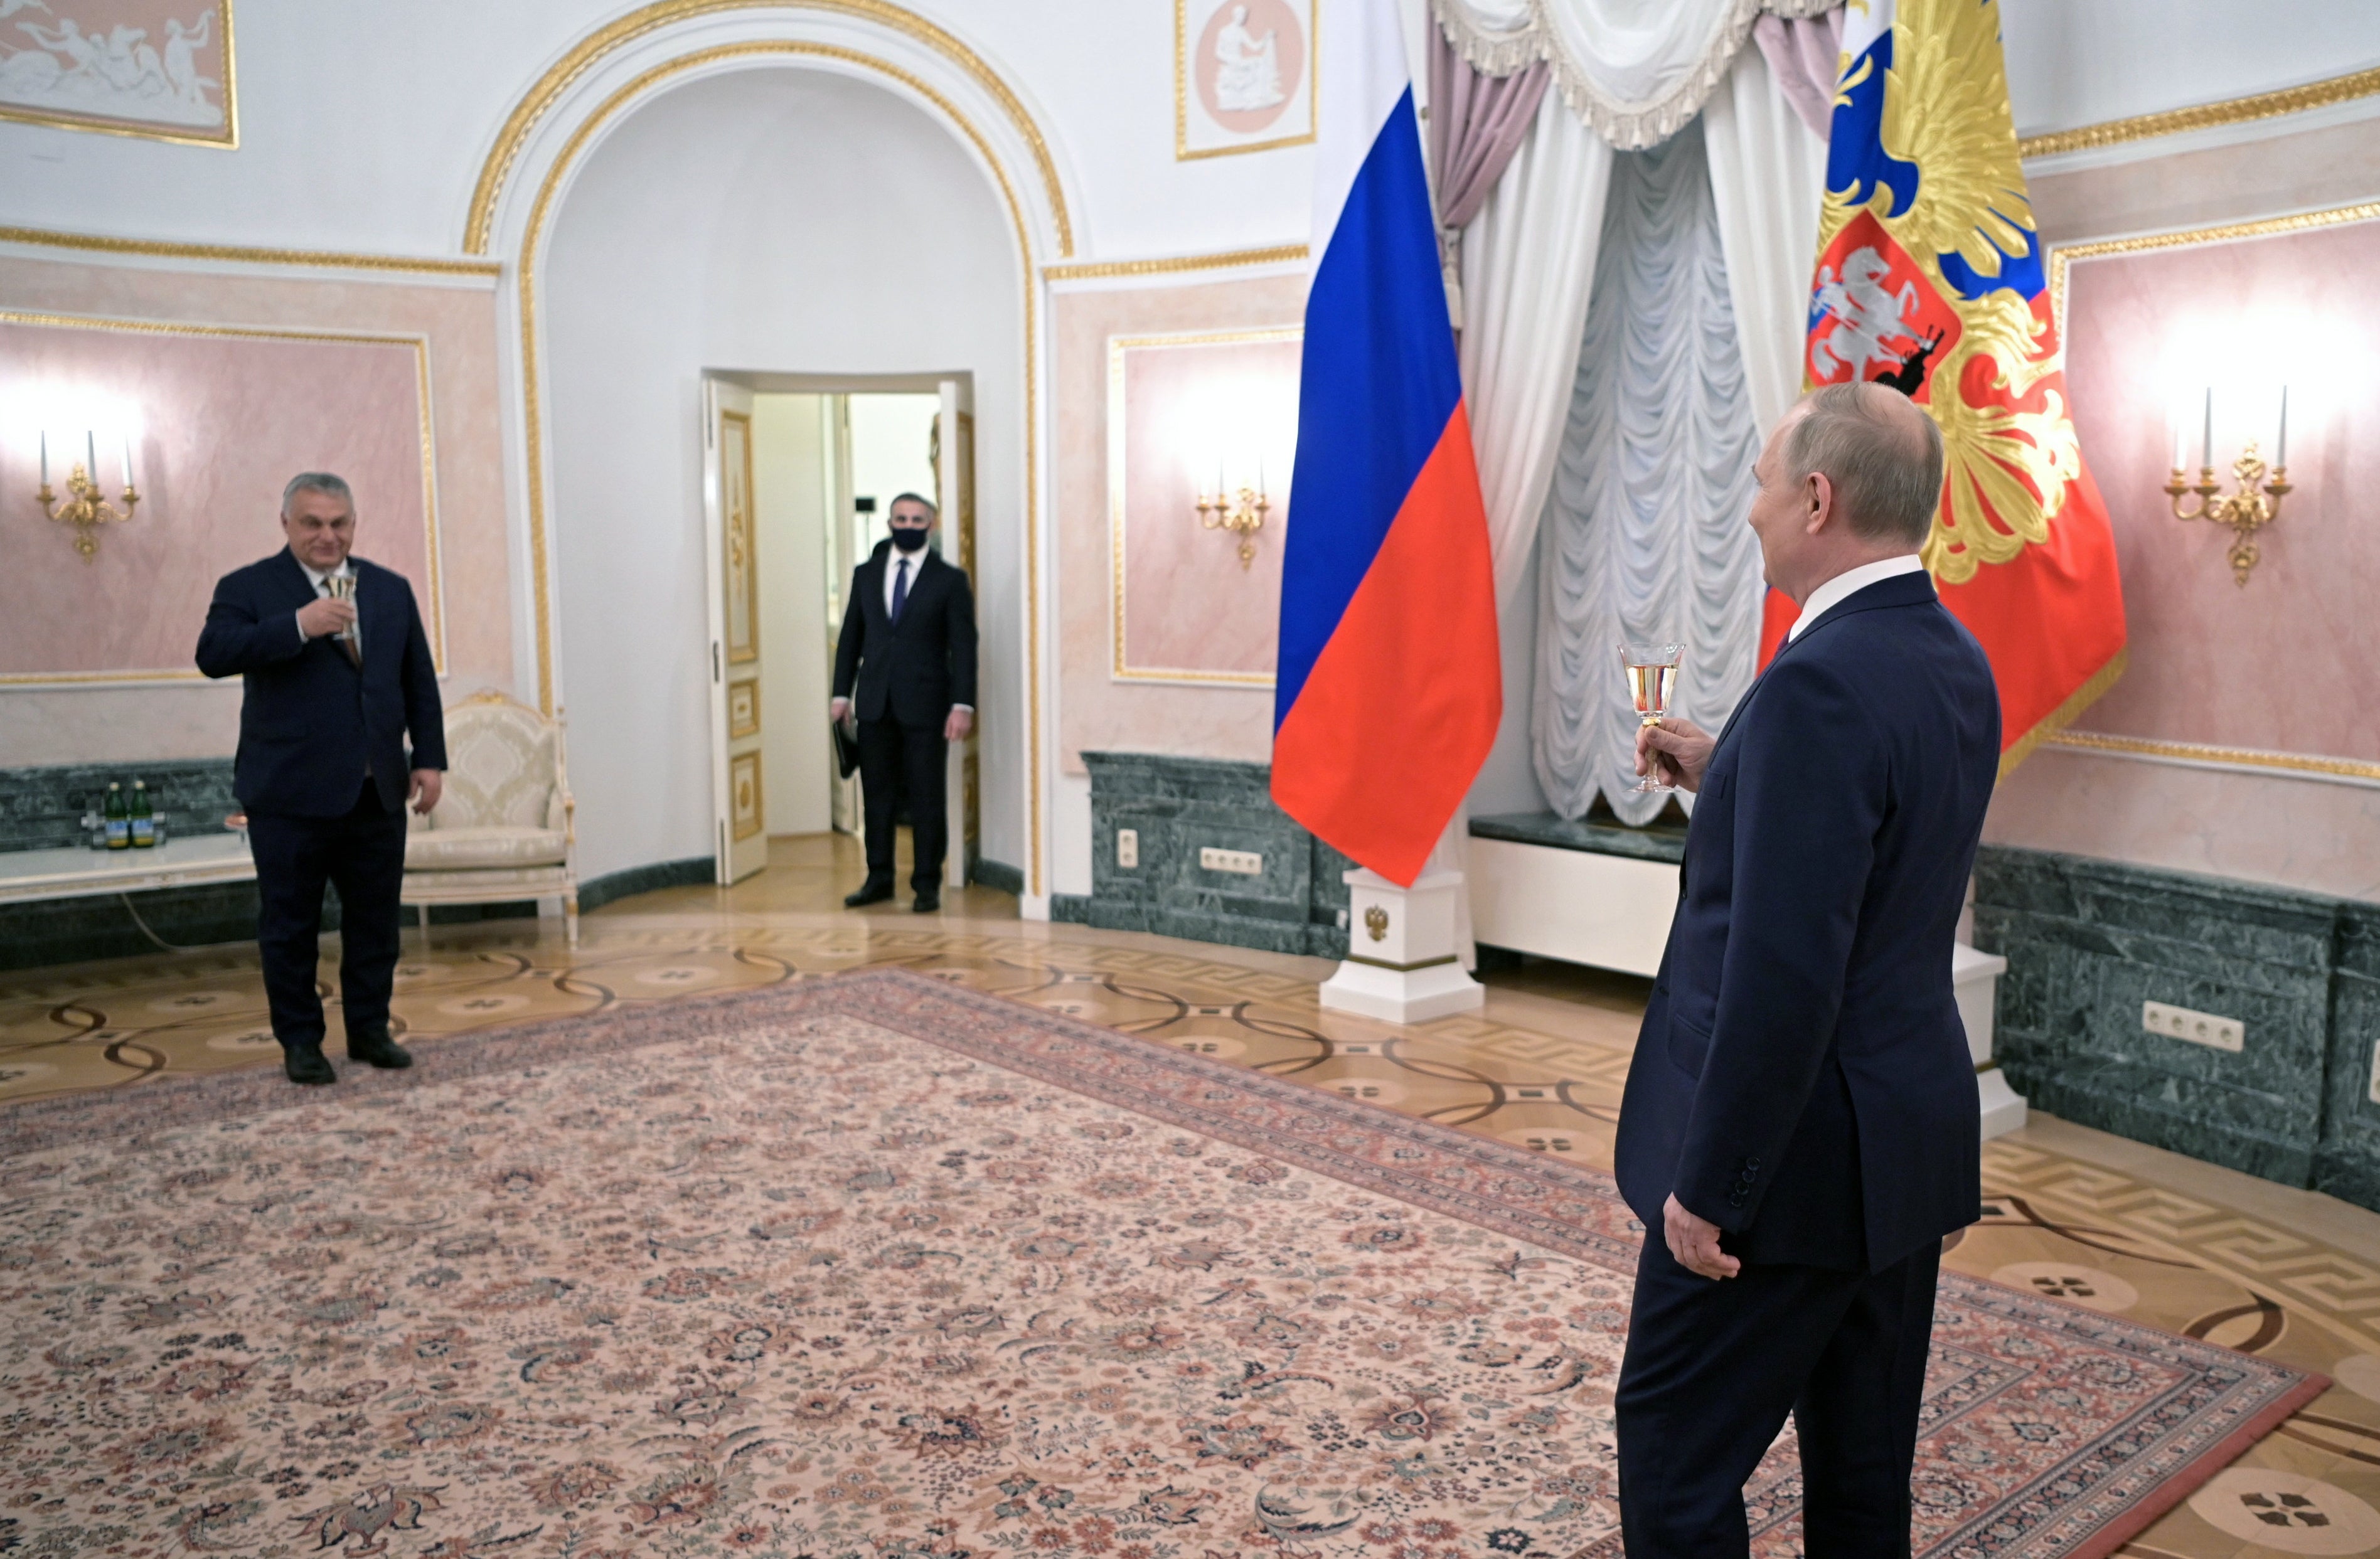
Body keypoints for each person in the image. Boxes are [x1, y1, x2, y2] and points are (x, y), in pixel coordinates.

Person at [1611, 382, 2000, 1556]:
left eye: (1762, 484)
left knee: (1673, 1454)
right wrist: (1729, 766)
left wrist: (1710, 1189)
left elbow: (1783, 978)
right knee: (1861, 1469)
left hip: (1785, 1176)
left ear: (1818, 498)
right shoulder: (1947, 657)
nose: (1751, 510)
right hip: (1897, 1145)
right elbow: (1871, 837)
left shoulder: (1816, 684)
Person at [196, 473, 446, 1087]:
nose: (327, 535)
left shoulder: (389, 589)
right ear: (286, 524)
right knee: (290, 926)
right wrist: (298, 626)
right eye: (313, 523)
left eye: (339, 523)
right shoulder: (249, 587)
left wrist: (430, 758)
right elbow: (213, 654)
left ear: (353, 525)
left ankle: (369, 1030)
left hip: (376, 790)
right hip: (288, 794)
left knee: (375, 921)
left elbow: (418, 679)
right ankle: (301, 1042)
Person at [830, 492, 976, 912]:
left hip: (928, 706)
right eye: (900, 518)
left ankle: (927, 882)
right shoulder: (866, 573)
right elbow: (850, 639)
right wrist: (841, 694)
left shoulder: (949, 580)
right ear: (890, 523)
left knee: (927, 795)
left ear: (930, 526)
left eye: (917, 519)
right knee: (877, 796)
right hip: (875, 704)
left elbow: (964, 647)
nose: (908, 524)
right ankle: (878, 878)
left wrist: (962, 704)